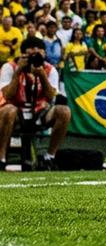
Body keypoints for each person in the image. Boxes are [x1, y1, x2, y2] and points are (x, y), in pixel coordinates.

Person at [0, 37, 71, 170]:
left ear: (44, 53)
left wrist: (42, 76)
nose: (36, 51)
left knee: (64, 111)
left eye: (40, 49)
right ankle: (1, 158)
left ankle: (50, 157)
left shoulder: (50, 69)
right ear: (23, 53)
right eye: (32, 49)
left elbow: (51, 97)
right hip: (16, 112)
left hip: (40, 111)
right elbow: (7, 95)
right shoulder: (10, 67)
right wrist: (18, 72)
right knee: (8, 110)